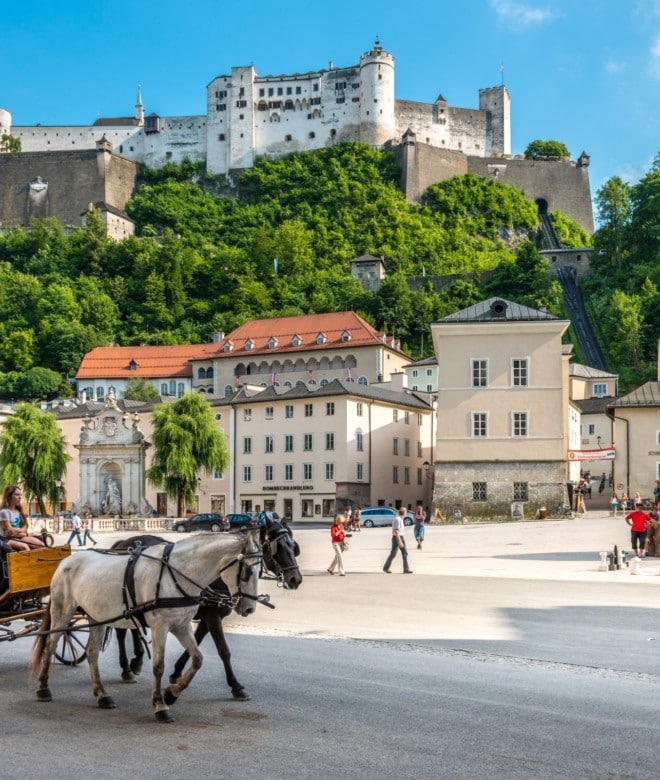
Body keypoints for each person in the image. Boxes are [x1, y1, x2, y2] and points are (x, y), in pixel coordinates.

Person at [0, 485, 45, 550]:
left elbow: (25, 527)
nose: (20, 497)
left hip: (19, 536)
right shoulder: (4, 512)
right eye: (16, 494)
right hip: (7, 539)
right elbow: (10, 532)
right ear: (9, 496)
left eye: (20, 495)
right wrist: (24, 533)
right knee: (25, 547)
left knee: (41, 545)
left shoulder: (19, 511)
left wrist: (20, 532)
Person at [383, 507, 413, 574]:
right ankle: (386, 568)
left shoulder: (400, 519)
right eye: (406, 512)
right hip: (397, 537)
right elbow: (396, 531)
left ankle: (405, 569)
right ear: (404, 512)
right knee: (396, 553)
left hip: (399, 537)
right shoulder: (398, 519)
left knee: (402, 553)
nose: (406, 513)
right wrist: (400, 541)